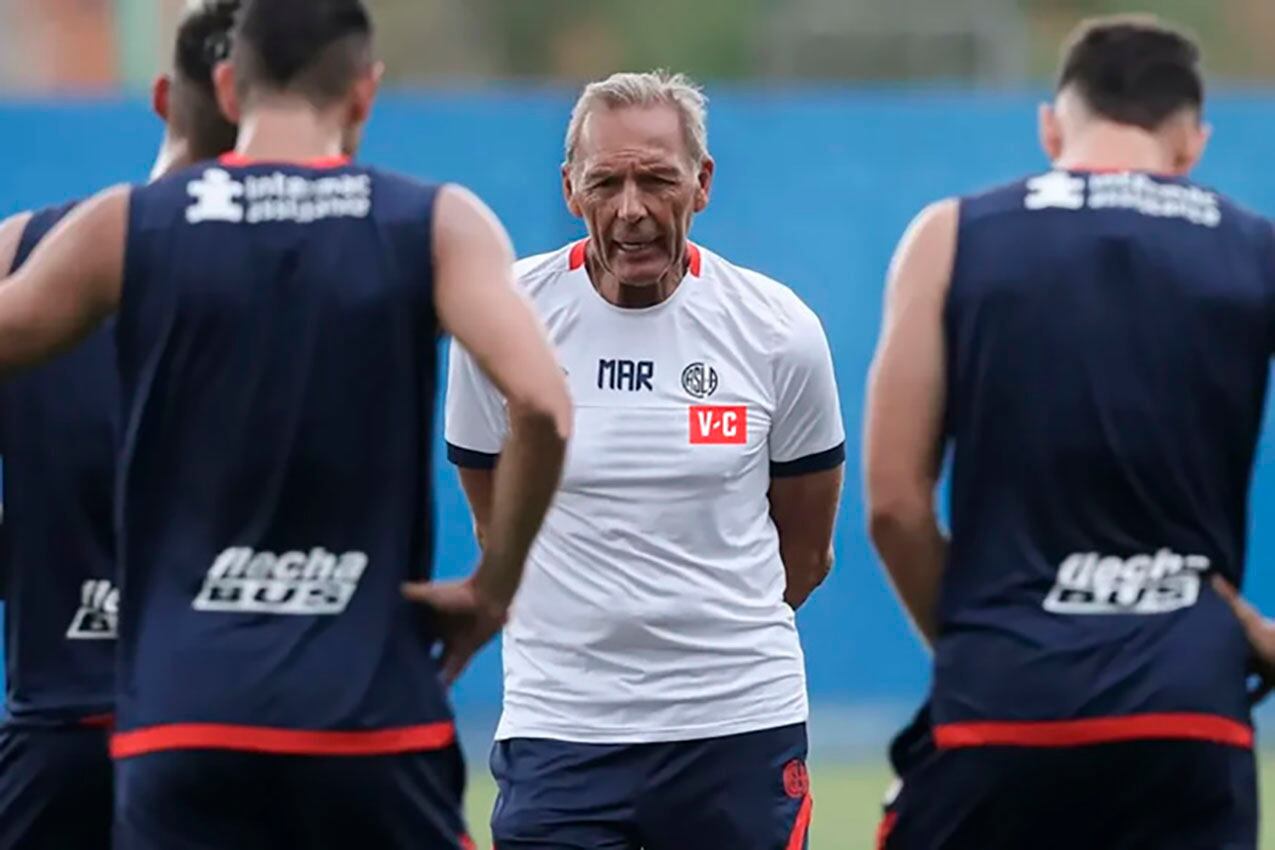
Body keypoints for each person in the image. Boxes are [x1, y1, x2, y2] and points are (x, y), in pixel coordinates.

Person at [0, 0, 573, 847]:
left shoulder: (130, 226)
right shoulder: (432, 222)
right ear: (365, 93)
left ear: (229, 85)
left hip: (184, 717)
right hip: (368, 717)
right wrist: (494, 589)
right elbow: (540, 405)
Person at [865, 15, 1269, 850]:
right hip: (1187, 709)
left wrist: (989, 637)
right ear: (1190, 142)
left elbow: (894, 504)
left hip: (999, 706)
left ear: (1052, 126)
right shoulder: (1255, 250)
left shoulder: (950, 237)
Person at [446, 70, 845, 850]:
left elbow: (804, 550)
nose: (631, 210)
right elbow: (497, 528)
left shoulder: (778, 331)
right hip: (560, 730)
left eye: (657, 180)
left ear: (701, 184)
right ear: (570, 189)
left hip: (737, 729)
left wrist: (698, 646)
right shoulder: (504, 322)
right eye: (606, 182)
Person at [0, 2, 239, 847]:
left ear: (163, 97)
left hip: (59, 740)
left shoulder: (23, 249)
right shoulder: (325, 270)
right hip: (238, 742)